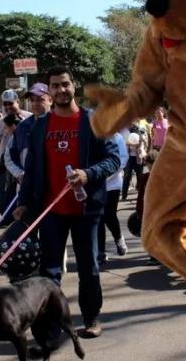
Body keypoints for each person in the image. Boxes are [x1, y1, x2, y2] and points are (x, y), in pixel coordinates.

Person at [14, 66, 120, 338]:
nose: (61, 90)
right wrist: (24, 201)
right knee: (49, 273)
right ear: (49, 91)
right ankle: (51, 328)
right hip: (51, 211)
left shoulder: (93, 121)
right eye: (55, 86)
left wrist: (88, 174)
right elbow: (32, 168)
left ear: (74, 85)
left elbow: (113, 159)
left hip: (87, 210)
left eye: (65, 84)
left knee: (89, 267)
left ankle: (91, 317)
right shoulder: (40, 127)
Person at [6, 83, 52, 183]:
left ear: (51, 100)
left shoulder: (60, 125)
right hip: (29, 188)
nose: (35, 103)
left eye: (40, 99)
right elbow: (8, 157)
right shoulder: (22, 127)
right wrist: (19, 173)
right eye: (32, 100)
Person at [98, 130, 130, 264]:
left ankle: (119, 239)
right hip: (96, 183)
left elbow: (122, 159)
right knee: (99, 217)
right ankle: (100, 251)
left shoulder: (117, 137)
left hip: (113, 184)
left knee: (109, 215)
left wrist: (107, 174)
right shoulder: (93, 135)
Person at [121, 124, 148, 201]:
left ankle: (140, 195)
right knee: (127, 176)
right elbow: (125, 144)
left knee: (139, 176)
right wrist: (128, 143)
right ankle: (124, 195)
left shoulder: (141, 136)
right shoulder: (127, 134)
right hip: (129, 157)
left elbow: (139, 145)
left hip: (138, 157)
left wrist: (130, 143)